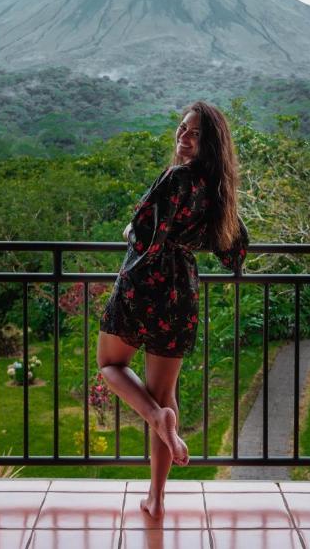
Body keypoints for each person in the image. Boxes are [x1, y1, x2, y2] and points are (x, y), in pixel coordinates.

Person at [97, 100, 250, 520]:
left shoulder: (178, 177)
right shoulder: (218, 188)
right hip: (182, 289)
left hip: (144, 283)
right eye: (182, 128)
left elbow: (144, 228)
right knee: (165, 390)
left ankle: (154, 415)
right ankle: (157, 498)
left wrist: (131, 230)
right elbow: (235, 244)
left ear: (210, 142)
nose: (183, 136)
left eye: (195, 132)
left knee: (110, 365)